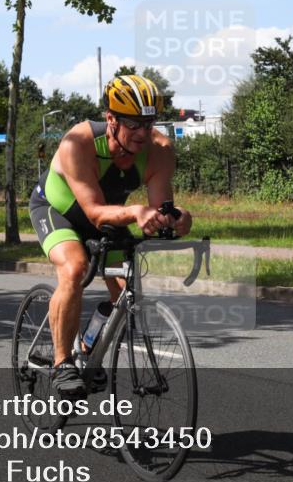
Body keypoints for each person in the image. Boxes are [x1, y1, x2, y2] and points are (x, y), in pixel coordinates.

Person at [29, 75, 192, 398]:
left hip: (111, 213)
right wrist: (135, 213)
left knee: (123, 291)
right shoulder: (79, 142)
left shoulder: (159, 151)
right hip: (58, 209)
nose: (142, 134)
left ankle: (88, 346)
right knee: (74, 269)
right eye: (133, 125)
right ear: (110, 119)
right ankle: (62, 364)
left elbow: (158, 209)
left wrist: (176, 219)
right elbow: (93, 212)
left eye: (149, 124)